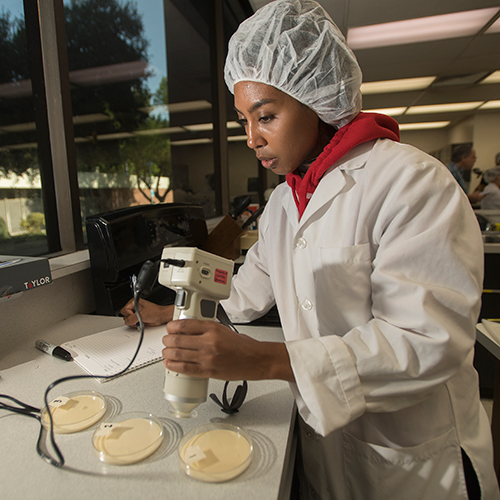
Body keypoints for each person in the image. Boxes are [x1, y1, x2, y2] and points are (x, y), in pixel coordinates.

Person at [121, 1, 499, 498]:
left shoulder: (410, 182)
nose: (252, 138)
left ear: (318, 99)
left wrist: (269, 362)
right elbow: (240, 292)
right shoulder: (283, 203)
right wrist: (168, 309)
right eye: (243, 121)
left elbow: (429, 341)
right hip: (327, 452)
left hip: (414, 462)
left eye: (267, 116)